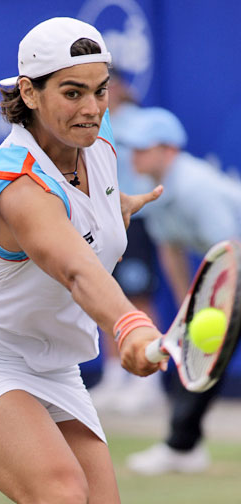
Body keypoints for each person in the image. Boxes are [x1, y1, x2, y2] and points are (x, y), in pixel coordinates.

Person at [0, 17, 166, 503]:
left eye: (101, 91)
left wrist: (113, 207)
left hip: (54, 367)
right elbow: (75, 269)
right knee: (62, 493)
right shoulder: (20, 186)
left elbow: (84, 220)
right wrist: (129, 325)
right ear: (29, 93)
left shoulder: (98, 137)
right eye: (72, 93)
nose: (92, 109)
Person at [122, 106, 241, 474]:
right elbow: (170, 250)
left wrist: (214, 306)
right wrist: (186, 307)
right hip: (233, 271)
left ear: (169, 150)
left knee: (201, 350)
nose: (135, 155)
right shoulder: (153, 191)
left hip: (236, 264)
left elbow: (230, 251)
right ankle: (182, 447)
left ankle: (181, 446)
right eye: (133, 147)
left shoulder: (195, 187)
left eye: (144, 147)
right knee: (197, 350)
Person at [90, 70, 164, 414]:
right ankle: (114, 375)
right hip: (105, 220)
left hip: (138, 219)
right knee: (106, 293)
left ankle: (147, 381)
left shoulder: (141, 122)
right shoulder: (93, 123)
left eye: (104, 85)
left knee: (137, 297)